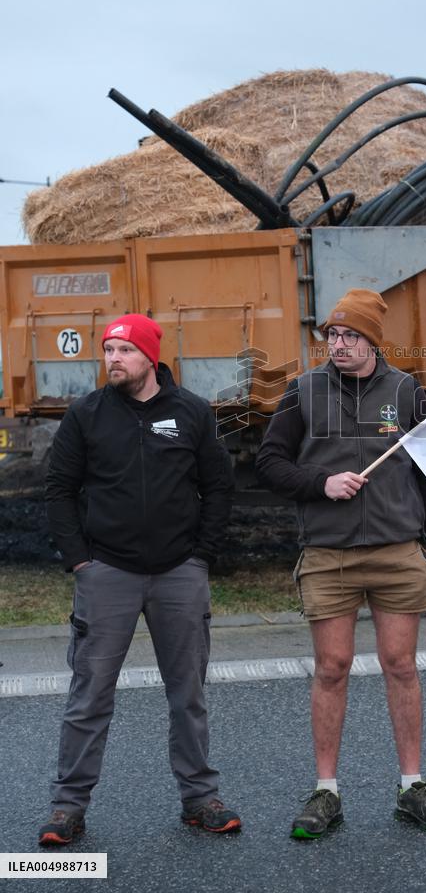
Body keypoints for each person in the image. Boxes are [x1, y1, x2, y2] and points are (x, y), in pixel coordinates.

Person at [255, 288, 426, 839]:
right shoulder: (302, 391)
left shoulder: (407, 393)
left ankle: (413, 786)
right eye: (332, 335)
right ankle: (326, 792)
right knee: (332, 668)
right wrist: (320, 484)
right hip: (328, 555)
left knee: (401, 665)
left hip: (399, 552)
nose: (338, 344)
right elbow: (268, 462)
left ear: (373, 341)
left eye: (350, 336)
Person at [39, 313, 239, 845]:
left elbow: (219, 487)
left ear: (150, 356)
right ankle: (68, 806)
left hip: (179, 573)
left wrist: (202, 557)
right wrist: (80, 559)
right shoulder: (86, 415)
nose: (112, 360)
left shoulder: (192, 413)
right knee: (89, 694)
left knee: (188, 694)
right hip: (107, 573)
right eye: (107, 350)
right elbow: (59, 490)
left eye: (123, 351)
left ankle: (200, 798)